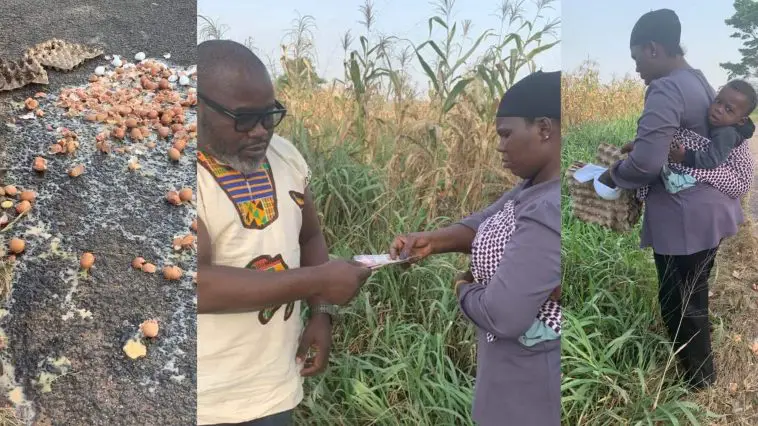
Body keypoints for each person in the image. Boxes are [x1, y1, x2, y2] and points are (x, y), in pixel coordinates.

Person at [195, 39, 372, 426]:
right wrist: (320, 279)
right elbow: (198, 284)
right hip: (205, 399)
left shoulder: (287, 156)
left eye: (269, 114)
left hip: (273, 389)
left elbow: (309, 237)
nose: (261, 131)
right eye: (243, 118)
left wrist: (322, 312)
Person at [390, 70, 562, 425]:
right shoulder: (533, 186)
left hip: (530, 384)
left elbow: (503, 315)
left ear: (544, 128)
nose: (500, 146)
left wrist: (462, 287)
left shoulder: (549, 207)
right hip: (512, 371)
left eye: (506, 134)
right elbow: (485, 222)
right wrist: (431, 241)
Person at [598, 8, 745, 390]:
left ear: (652, 49)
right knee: (692, 293)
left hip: (683, 219)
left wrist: (611, 173)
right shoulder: (696, 80)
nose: (636, 70)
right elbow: (664, 141)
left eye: (636, 60)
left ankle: (698, 382)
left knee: (679, 300)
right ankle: (699, 374)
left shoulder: (665, 87)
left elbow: (646, 164)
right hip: (708, 214)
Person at [664, 79, 757, 193]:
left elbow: (712, 161)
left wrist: (685, 156)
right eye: (718, 101)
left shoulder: (727, 133)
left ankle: (680, 181)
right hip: (730, 171)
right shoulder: (727, 122)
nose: (718, 109)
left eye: (728, 109)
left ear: (741, 121)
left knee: (705, 170)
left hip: (739, 180)